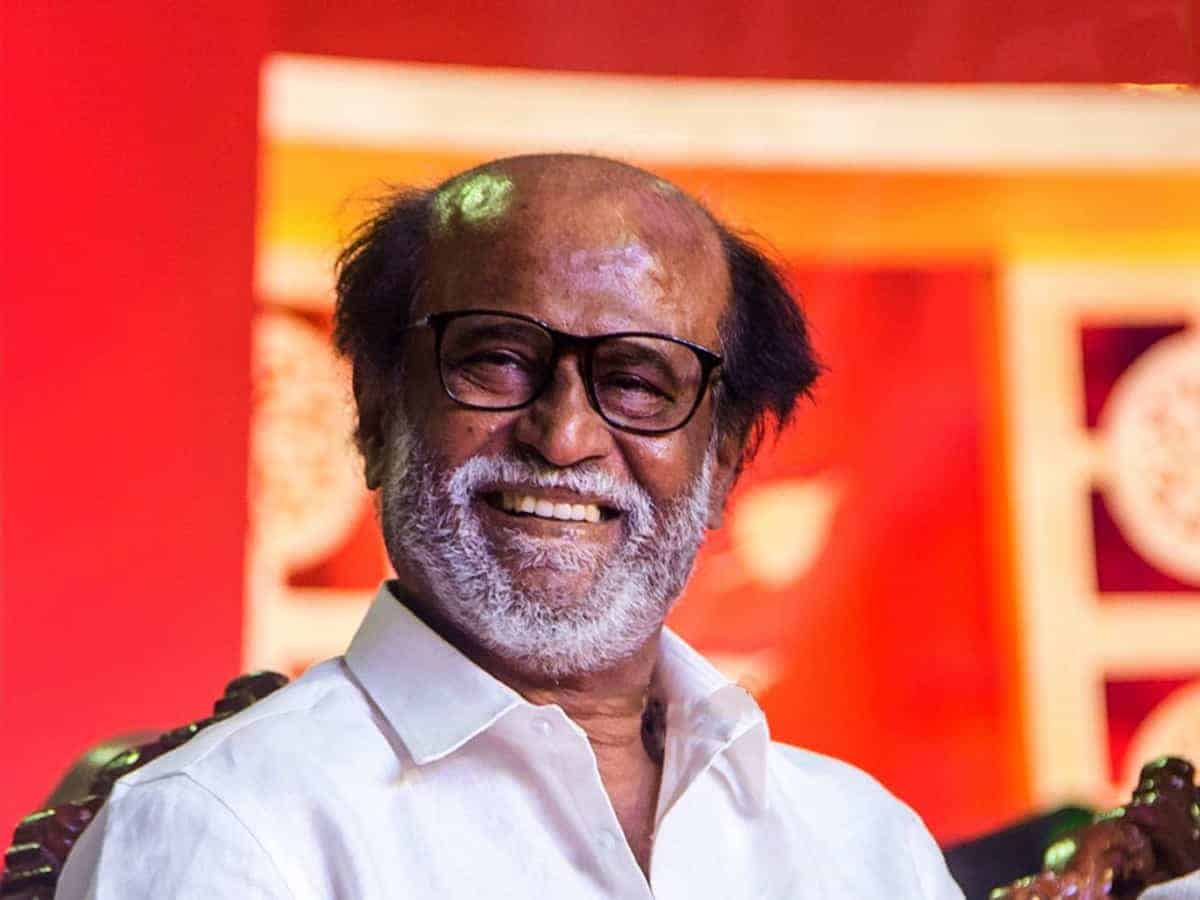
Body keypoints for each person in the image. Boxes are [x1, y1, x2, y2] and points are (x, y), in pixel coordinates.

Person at [58, 154, 964, 898]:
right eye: (495, 359)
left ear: (724, 458)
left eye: (637, 382)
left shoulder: (865, 846)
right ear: (375, 413)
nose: (563, 436)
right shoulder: (223, 824)